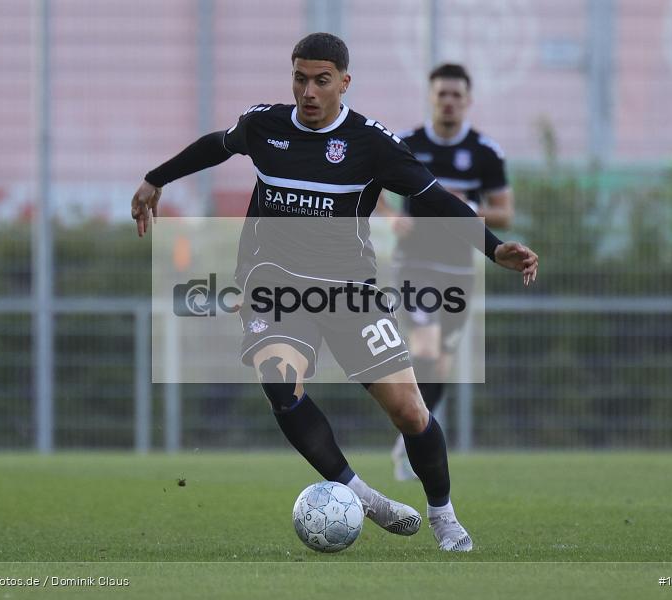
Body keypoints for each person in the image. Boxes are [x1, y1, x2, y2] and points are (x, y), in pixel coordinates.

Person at [131, 33, 538, 552]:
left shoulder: (373, 144)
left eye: (322, 80)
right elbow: (217, 144)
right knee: (281, 382)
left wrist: (492, 247)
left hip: (348, 291)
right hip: (272, 284)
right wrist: (154, 179)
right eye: (300, 78)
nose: (309, 91)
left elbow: (434, 198)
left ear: (344, 83)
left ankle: (444, 517)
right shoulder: (265, 125)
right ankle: (363, 497)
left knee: (412, 413)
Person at [377, 63, 515, 481]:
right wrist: (389, 217)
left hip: (459, 269)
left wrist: (466, 209)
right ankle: (413, 436)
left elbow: (505, 214)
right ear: (430, 98)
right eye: (442, 94)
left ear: (468, 100)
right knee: (424, 346)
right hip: (414, 265)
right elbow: (368, 189)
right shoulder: (406, 144)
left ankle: (410, 438)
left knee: (440, 364)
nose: (449, 102)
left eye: (457, 95)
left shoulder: (485, 152)